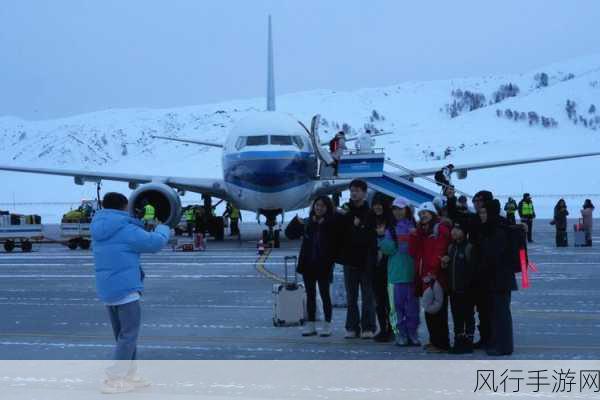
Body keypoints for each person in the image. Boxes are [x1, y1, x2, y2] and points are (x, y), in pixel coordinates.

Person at [91, 192, 170, 393]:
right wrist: (163, 227)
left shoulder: (100, 226)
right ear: (123, 207)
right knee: (129, 335)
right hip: (126, 290)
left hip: (108, 289)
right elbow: (155, 243)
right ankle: (115, 378)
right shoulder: (124, 229)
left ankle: (130, 375)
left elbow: (127, 235)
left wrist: (137, 223)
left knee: (124, 336)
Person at [335, 179, 377, 339]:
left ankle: (369, 327)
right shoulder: (344, 211)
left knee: (368, 295)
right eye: (352, 190)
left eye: (357, 190)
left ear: (365, 193)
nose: (354, 193)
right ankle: (352, 326)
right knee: (351, 296)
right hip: (349, 259)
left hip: (366, 259)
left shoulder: (370, 212)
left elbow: (370, 235)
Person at [409, 202, 451, 353]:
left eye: (425, 213)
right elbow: (414, 251)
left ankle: (441, 343)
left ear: (432, 213)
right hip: (425, 275)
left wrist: (432, 272)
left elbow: (440, 250)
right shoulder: (423, 231)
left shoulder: (439, 228)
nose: (422, 216)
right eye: (420, 214)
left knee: (438, 310)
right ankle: (434, 340)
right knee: (429, 309)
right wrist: (415, 235)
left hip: (436, 276)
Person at [377, 197, 420, 347]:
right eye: (395, 209)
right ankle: (400, 334)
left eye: (400, 208)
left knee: (413, 308)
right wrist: (382, 237)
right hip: (395, 277)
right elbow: (388, 250)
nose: (398, 212)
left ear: (407, 210)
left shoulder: (416, 227)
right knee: (396, 309)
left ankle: (412, 333)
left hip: (413, 275)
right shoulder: (390, 229)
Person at [478, 198, 517, 356]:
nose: (481, 215)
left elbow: (494, 255)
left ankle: (504, 347)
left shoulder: (498, 230)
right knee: (497, 313)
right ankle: (498, 343)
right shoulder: (493, 227)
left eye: (484, 212)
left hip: (501, 278)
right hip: (497, 278)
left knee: (501, 314)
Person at [297, 196, 336, 337]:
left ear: (328, 208)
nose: (318, 208)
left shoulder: (331, 223)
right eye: (316, 205)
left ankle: (327, 324)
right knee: (310, 295)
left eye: (322, 206)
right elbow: (290, 234)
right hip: (308, 264)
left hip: (324, 265)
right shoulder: (309, 222)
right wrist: (298, 222)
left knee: (325, 295)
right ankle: (311, 324)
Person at [442, 223, 475, 354]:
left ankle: (468, 341)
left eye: (458, 229)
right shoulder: (451, 247)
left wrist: (471, 288)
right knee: (456, 316)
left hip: (466, 290)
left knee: (468, 315)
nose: (454, 232)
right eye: (453, 229)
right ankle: (458, 340)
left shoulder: (469, 247)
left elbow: (473, 270)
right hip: (454, 290)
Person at [369, 193, 394, 342]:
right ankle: (383, 328)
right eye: (375, 204)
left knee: (390, 300)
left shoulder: (391, 222)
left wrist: (382, 236)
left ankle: (392, 328)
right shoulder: (370, 219)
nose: (377, 206)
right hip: (374, 265)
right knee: (379, 300)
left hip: (389, 265)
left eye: (380, 203)